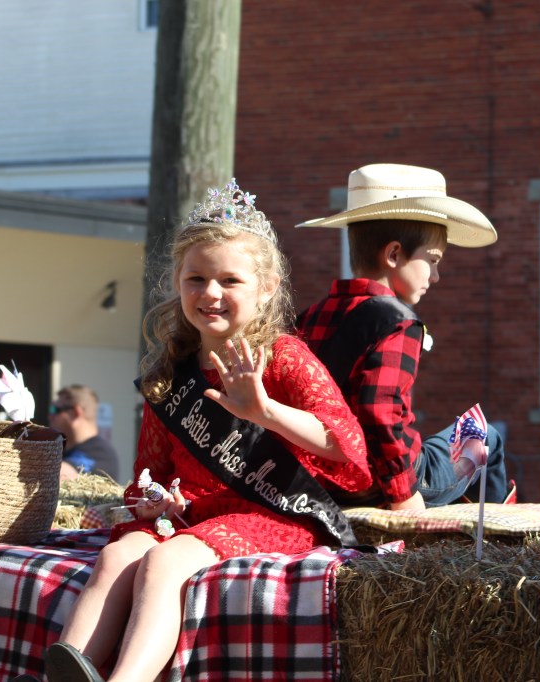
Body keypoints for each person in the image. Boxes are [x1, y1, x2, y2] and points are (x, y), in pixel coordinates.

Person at [27, 180, 371, 682]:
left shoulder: (284, 357)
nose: (211, 294)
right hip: (193, 517)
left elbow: (349, 447)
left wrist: (265, 410)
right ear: (178, 281)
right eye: (196, 279)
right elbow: (151, 473)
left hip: (272, 514)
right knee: (118, 555)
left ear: (268, 287)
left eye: (230, 281)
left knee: (164, 564)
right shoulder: (171, 373)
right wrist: (149, 500)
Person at [295, 163, 512, 511]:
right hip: (387, 483)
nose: (436, 276)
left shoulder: (310, 315)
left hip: (325, 481)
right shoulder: (397, 322)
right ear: (395, 254)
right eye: (433, 260)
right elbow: (380, 413)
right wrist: (404, 496)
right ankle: (500, 542)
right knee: (487, 435)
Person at [48, 384, 120, 482]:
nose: (50, 416)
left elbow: (59, 475)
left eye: (55, 410)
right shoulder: (62, 449)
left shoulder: (101, 452)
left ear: (76, 413)